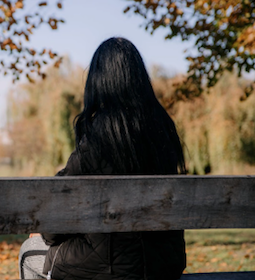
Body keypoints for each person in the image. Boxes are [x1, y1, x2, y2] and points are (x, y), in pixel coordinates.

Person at [18, 37, 187, 280]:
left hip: (104, 269)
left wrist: (44, 234)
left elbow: (56, 219)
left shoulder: (98, 138)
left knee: (29, 250)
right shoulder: (164, 131)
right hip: (162, 267)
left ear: (98, 81)